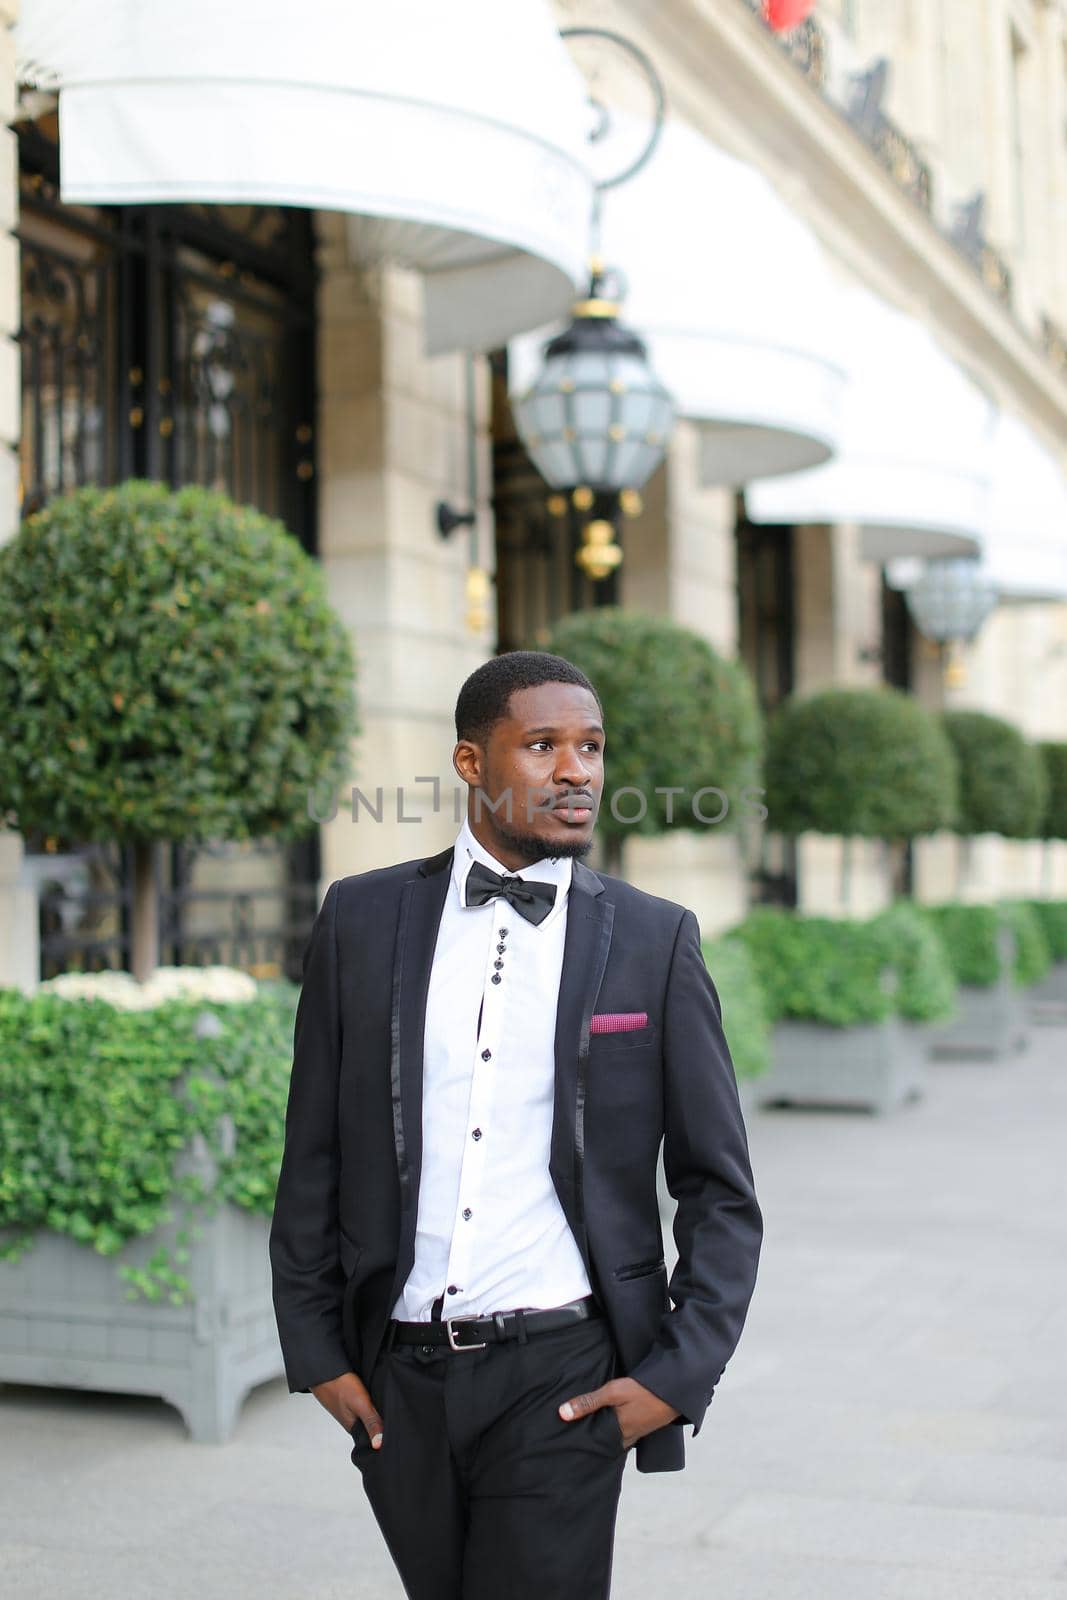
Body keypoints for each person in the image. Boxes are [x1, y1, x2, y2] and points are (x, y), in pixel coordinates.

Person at [269, 650, 763, 1599]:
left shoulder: (656, 940)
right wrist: (316, 1352)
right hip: (397, 1377)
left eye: (590, 747)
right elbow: (314, 1149)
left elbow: (718, 1186)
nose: (577, 771)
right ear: (469, 763)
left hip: (562, 1376)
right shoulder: (360, 919)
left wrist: (680, 1370)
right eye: (542, 746)